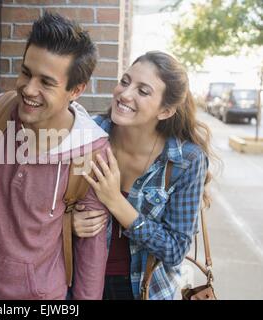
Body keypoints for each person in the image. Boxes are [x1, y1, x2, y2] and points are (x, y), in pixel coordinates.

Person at [0, 12, 111, 300]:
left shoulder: (93, 149)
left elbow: (91, 247)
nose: (28, 89)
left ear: (76, 89)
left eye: (46, 82)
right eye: (26, 72)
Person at [72, 51, 214, 300]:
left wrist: (116, 202)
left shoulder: (185, 160)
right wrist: (67, 223)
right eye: (125, 82)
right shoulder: (87, 134)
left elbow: (175, 250)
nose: (125, 94)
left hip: (144, 290)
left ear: (166, 111)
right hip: (78, 279)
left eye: (143, 91)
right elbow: (49, 204)